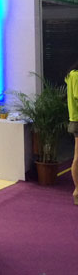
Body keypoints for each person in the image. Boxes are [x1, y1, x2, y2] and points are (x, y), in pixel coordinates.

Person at [67, 60, 78, 206]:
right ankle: (77, 191)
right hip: (77, 120)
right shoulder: (75, 75)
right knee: (77, 156)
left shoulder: (72, 75)